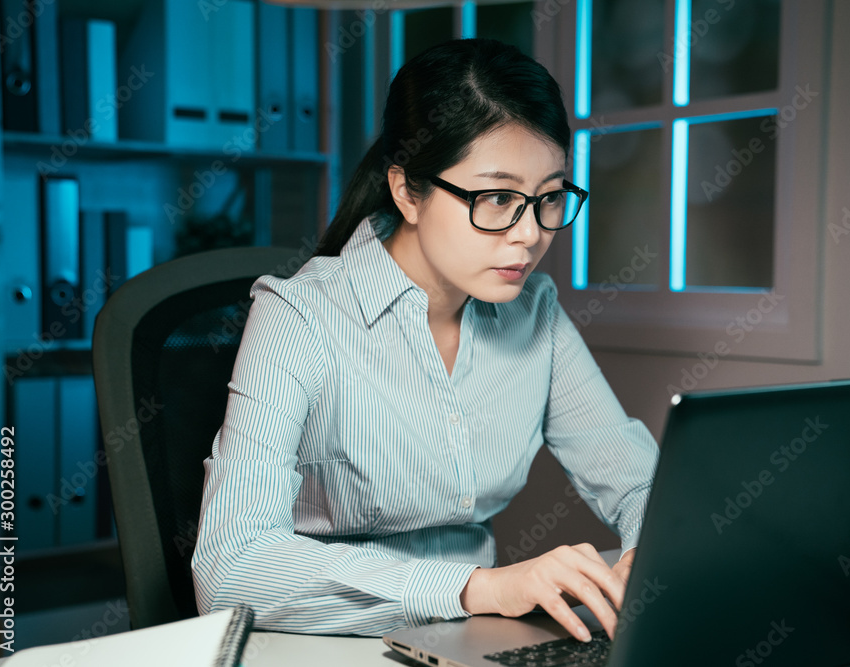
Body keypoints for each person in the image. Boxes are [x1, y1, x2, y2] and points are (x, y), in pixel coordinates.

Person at [191, 38, 658, 644]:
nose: (529, 235)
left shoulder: (534, 315)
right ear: (408, 190)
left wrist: (648, 555)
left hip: (469, 640)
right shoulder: (298, 318)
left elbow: (639, 480)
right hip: (319, 645)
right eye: (496, 198)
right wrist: (477, 588)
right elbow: (231, 567)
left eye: (548, 199)